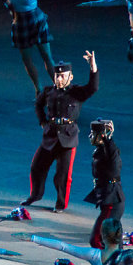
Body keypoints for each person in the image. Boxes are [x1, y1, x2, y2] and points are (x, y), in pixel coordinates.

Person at [23, 51, 99, 212]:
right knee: (36, 167)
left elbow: (93, 87)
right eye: (57, 76)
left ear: (70, 77)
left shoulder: (76, 92)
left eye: (63, 76)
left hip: (68, 137)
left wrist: (93, 67)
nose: (59, 79)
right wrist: (42, 121)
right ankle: (35, 195)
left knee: (63, 176)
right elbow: (38, 104)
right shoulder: (49, 91)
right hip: (50, 135)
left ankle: (61, 203)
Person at [84, 119, 123, 249]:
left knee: (97, 240)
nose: (90, 136)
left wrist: (107, 139)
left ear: (101, 136)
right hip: (106, 199)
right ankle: (118, 264)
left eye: (93, 133)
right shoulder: (100, 150)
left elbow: (114, 163)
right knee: (111, 240)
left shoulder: (111, 151)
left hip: (112, 201)